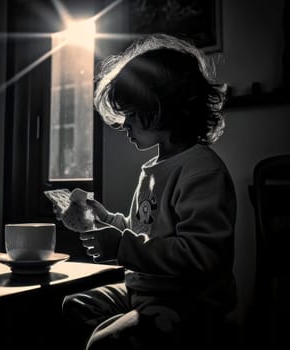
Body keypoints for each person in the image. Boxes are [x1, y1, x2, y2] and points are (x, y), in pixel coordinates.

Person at [54, 33, 236, 350]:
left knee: (105, 342)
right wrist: (112, 222)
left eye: (130, 114)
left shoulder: (201, 171)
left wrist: (123, 246)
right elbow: (147, 233)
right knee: (73, 306)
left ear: (158, 108)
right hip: (144, 290)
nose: (124, 125)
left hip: (189, 302)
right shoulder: (155, 167)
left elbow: (202, 256)